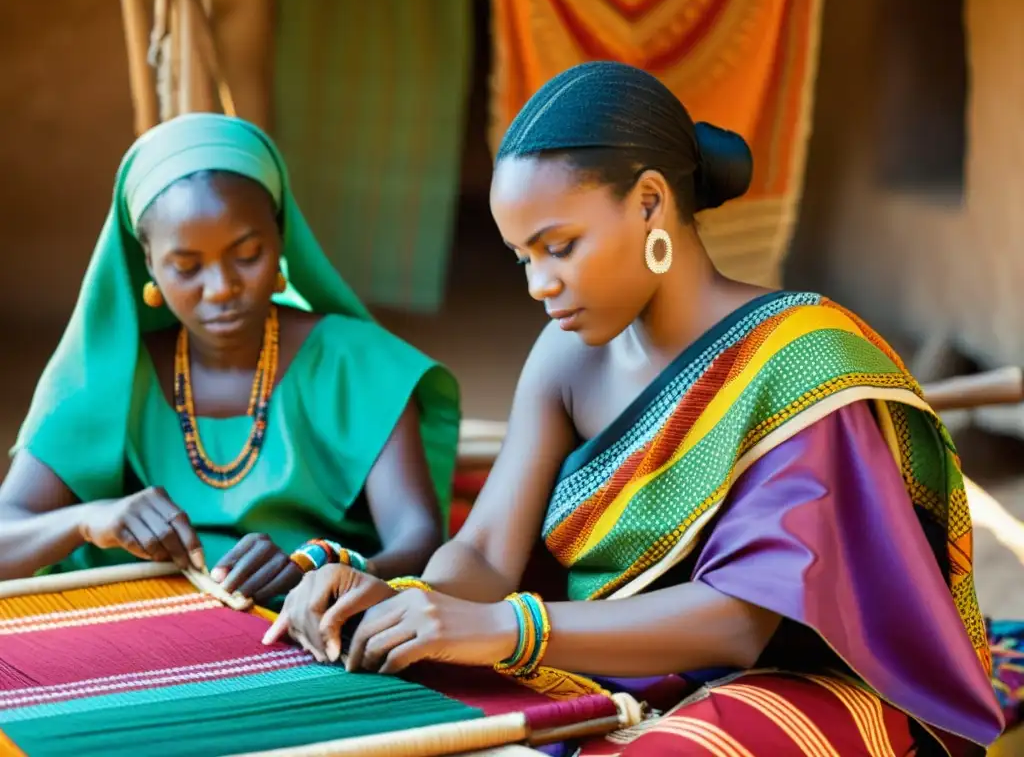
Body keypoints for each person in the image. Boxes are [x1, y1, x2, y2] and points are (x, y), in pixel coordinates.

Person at [263, 62, 1005, 754]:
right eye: (525, 257)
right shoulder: (566, 359)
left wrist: (500, 627)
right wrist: (396, 601)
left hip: (809, 680)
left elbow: (739, 621)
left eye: (560, 246)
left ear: (651, 202)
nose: (538, 284)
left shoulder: (804, 361)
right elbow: (488, 552)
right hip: (615, 665)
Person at [0, 113, 461, 606]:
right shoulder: (105, 376)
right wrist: (91, 519)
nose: (221, 289)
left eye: (246, 255)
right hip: (129, 635)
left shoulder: (357, 365)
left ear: (281, 239)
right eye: (186, 266)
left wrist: (315, 570)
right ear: (147, 264)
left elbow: (417, 542)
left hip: (299, 630)